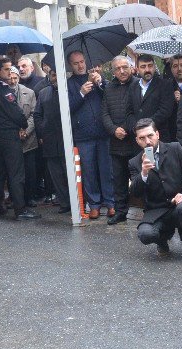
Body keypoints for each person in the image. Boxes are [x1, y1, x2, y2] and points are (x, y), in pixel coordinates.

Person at [128, 118, 182, 263]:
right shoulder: (134, 162)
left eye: (150, 136)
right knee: (145, 234)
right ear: (137, 141)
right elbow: (135, 193)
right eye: (142, 138)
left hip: (178, 205)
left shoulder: (175, 148)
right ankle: (162, 242)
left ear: (157, 134)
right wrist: (143, 173)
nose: (147, 141)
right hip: (155, 211)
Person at [0, 57, 38, 220]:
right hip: (8, 135)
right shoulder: (2, 89)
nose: (10, 71)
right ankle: (20, 209)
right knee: (16, 173)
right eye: (6, 69)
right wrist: (22, 124)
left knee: (0, 172)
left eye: (10, 68)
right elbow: (16, 113)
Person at [66, 50, 113, 219]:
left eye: (82, 62)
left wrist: (101, 83)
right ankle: (94, 204)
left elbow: (110, 97)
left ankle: (110, 203)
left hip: (102, 131)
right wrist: (81, 94)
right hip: (83, 135)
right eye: (76, 63)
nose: (80, 65)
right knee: (89, 171)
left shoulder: (96, 77)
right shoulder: (69, 84)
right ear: (70, 66)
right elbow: (67, 109)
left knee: (106, 170)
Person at [101, 56, 138, 225]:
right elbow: (105, 113)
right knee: (118, 180)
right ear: (113, 71)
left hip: (136, 141)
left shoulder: (138, 85)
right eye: (118, 68)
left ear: (131, 67)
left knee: (141, 177)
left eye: (125, 67)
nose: (122, 71)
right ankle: (120, 211)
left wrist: (126, 128)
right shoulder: (108, 88)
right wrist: (114, 129)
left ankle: (150, 210)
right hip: (116, 142)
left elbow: (139, 111)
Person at [33, 67, 72, 213]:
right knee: (56, 175)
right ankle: (64, 203)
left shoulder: (70, 91)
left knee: (70, 173)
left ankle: (76, 201)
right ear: (49, 77)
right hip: (49, 141)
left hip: (67, 140)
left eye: (58, 75)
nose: (56, 78)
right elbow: (37, 115)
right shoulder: (43, 93)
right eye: (53, 75)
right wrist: (42, 131)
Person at [6, 66, 41, 210]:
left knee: (30, 171)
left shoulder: (30, 92)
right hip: (11, 138)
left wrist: (26, 130)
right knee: (14, 171)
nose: (13, 81)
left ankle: (30, 197)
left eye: (15, 78)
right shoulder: (2, 93)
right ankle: (16, 198)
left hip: (28, 139)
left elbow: (34, 113)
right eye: (10, 78)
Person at [131, 54, 175, 143]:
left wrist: (145, 127)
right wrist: (135, 127)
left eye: (150, 66)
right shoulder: (132, 86)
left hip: (159, 138)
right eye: (143, 67)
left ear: (154, 67)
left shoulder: (165, 85)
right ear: (137, 68)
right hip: (138, 140)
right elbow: (129, 111)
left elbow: (165, 111)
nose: (147, 70)